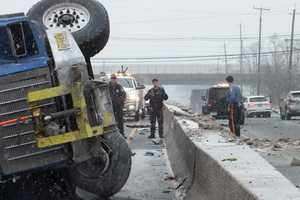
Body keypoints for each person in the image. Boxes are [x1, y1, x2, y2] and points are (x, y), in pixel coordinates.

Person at [109, 74, 127, 138]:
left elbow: (124, 95)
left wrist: (120, 100)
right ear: (110, 79)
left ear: (116, 79)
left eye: (114, 79)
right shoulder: (108, 87)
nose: (113, 80)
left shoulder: (119, 87)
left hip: (118, 106)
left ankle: (122, 134)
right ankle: (113, 136)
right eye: (112, 78)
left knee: (120, 120)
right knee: (111, 121)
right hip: (110, 107)